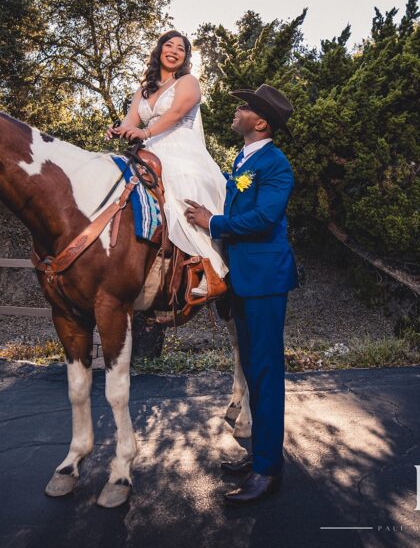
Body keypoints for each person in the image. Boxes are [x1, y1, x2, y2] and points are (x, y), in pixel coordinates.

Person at [183, 83, 298, 506]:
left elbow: (266, 218)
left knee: (266, 374)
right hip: (244, 280)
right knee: (252, 372)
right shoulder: (242, 158)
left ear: (261, 122)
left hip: (266, 280)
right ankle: (260, 456)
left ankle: (268, 472)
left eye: (244, 107)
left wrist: (212, 222)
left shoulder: (276, 164)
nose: (237, 109)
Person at [107, 30, 228, 295]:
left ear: (185, 57)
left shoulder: (188, 82)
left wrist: (146, 132)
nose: (173, 50)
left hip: (180, 147)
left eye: (181, 48)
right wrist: (118, 129)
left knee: (182, 194)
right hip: (149, 149)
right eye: (168, 45)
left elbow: (175, 113)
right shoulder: (143, 90)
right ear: (160, 49)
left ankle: (211, 269)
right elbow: (131, 121)